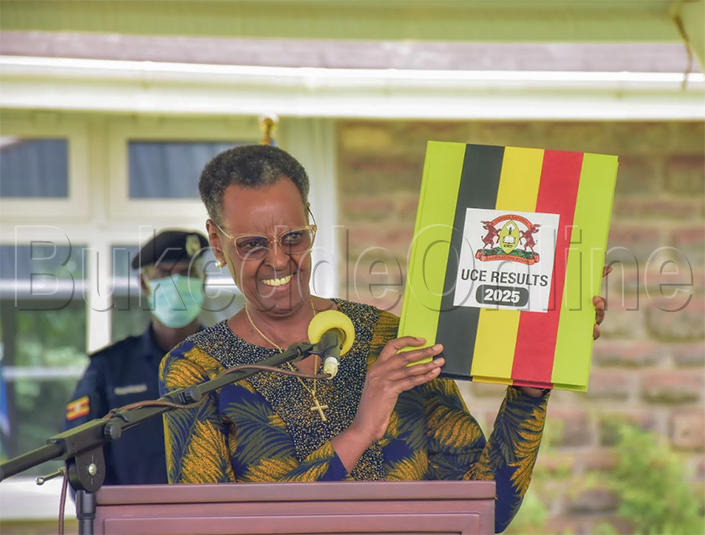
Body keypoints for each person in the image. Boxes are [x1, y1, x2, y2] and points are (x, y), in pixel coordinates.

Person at [159, 146, 608, 532]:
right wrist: (361, 431)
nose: (279, 260)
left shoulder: (391, 341)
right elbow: (211, 527)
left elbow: (484, 510)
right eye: (252, 244)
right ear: (217, 243)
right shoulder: (196, 370)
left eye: (294, 237)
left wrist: (529, 392)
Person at [65, 230, 209, 485]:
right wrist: (115, 509)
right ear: (144, 284)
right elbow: (80, 459)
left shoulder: (232, 362)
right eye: (164, 274)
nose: (178, 284)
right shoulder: (109, 368)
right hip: (132, 511)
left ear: (203, 280)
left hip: (220, 510)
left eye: (188, 273)